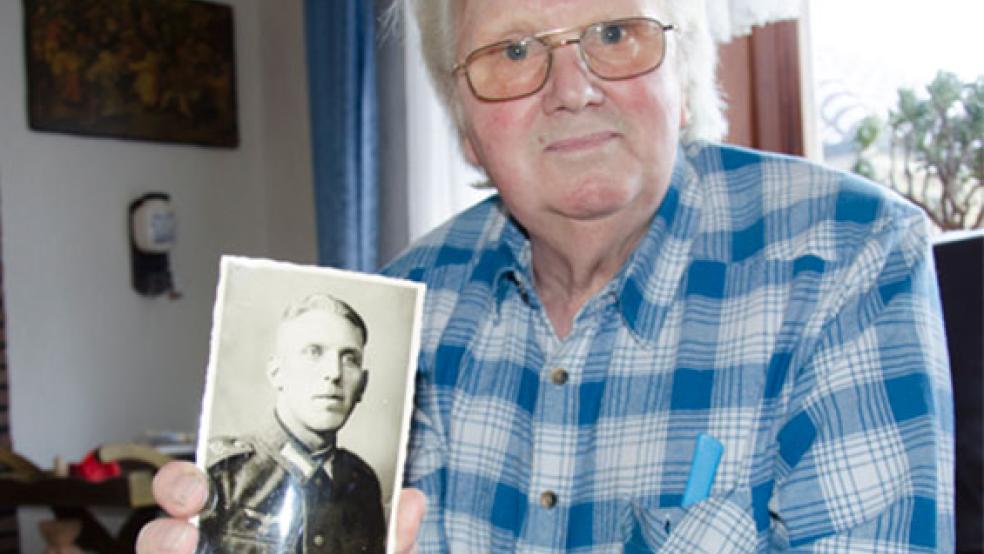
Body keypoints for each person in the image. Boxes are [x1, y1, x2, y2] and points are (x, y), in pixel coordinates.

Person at [138, 0, 954, 552]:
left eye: (614, 33)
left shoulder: (849, 256)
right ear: (466, 128)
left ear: (683, 77)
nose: (573, 89)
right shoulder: (400, 314)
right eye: (514, 50)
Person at [196, 294, 386, 553]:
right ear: (277, 373)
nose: (334, 372)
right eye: (313, 352)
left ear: (362, 385)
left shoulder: (362, 482)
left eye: (349, 358)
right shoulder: (223, 473)